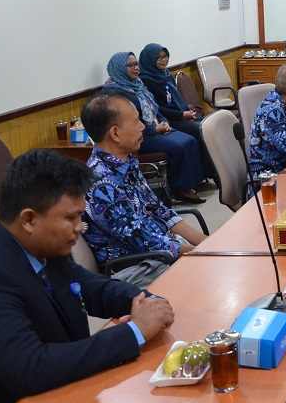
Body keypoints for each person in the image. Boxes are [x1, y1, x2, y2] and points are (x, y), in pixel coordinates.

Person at [0, 149, 175, 403]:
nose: (80, 227)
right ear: (29, 219)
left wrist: (145, 299)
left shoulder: (42, 246)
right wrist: (134, 332)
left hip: (69, 394)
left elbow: (90, 286)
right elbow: (31, 366)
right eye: (70, 218)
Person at [80, 92, 208, 287]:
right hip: (137, 266)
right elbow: (143, 240)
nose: (142, 126)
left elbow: (158, 209)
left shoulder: (126, 161)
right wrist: (202, 253)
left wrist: (204, 241)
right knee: (208, 276)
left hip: (160, 251)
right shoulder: (101, 183)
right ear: (115, 133)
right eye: (136, 121)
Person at [103, 52, 205, 204]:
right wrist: (154, 130)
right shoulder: (114, 92)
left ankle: (189, 184)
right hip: (140, 136)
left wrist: (164, 122)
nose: (136, 68)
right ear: (119, 68)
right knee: (179, 146)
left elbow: (155, 109)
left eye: (136, 64)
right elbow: (126, 124)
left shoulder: (138, 85)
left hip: (155, 128)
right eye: (130, 65)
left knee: (189, 139)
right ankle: (181, 189)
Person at [137, 43, 215, 179]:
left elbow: (174, 99)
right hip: (168, 120)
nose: (163, 60)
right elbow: (157, 108)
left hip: (178, 115)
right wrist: (181, 114)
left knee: (208, 125)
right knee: (196, 130)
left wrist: (187, 109)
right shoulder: (146, 80)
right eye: (159, 57)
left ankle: (209, 171)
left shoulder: (165, 75)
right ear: (149, 59)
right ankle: (203, 173)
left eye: (165, 56)